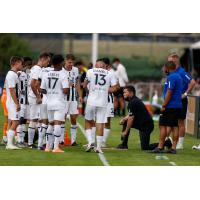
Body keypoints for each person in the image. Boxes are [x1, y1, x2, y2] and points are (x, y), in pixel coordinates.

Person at [83, 59, 118, 153]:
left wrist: (89, 92)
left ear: (96, 65)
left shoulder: (90, 71)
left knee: (88, 121)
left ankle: (90, 142)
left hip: (91, 101)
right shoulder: (110, 73)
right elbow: (115, 88)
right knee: (100, 123)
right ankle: (98, 147)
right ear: (104, 66)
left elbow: (84, 85)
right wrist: (106, 90)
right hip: (103, 101)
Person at [152, 61, 183, 154]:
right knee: (175, 126)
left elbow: (169, 92)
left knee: (162, 125)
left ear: (167, 68)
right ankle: (173, 148)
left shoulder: (171, 77)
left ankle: (160, 147)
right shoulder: (178, 76)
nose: (163, 69)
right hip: (177, 105)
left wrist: (164, 105)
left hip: (170, 105)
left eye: (164, 68)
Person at [40, 54, 69, 153]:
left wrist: (50, 93)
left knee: (51, 124)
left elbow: (42, 89)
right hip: (59, 102)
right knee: (57, 124)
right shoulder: (63, 75)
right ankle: (56, 147)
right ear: (60, 63)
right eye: (63, 61)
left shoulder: (46, 74)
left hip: (49, 102)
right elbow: (65, 90)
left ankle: (48, 147)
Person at [168, 53, 196, 149]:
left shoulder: (181, 72)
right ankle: (171, 140)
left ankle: (180, 143)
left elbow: (192, 82)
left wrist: (185, 94)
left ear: (175, 61)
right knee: (172, 121)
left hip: (181, 101)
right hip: (173, 100)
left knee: (180, 122)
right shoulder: (172, 72)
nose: (168, 63)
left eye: (170, 61)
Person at [117, 85, 157, 150]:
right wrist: (124, 119)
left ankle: (166, 142)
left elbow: (131, 118)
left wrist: (125, 132)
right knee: (125, 121)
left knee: (145, 147)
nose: (123, 94)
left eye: (125, 92)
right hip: (141, 124)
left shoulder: (133, 102)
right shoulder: (133, 100)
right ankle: (124, 144)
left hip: (146, 126)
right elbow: (131, 114)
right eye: (123, 92)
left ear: (131, 92)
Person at [28, 52, 50, 148]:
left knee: (38, 119)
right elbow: (33, 84)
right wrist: (38, 96)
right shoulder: (37, 69)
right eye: (47, 61)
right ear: (42, 59)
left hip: (33, 96)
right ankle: (30, 143)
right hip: (34, 97)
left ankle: (34, 142)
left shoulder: (36, 68)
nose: (48, 64)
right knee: (34, 119)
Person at [63, 54, 83, 146]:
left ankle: (73, 141)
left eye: (72, 62)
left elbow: (77, 83)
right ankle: (60, 140)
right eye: (69, 62)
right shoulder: (61, 70)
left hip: (73, 98)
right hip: (63, 98)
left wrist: (80, 95)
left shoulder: (75, 70)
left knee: (74, 118)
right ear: (65, 61)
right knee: (62, 119)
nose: (71, 64)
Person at [5, 56, 23, 150]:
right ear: (16, 63)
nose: (22, 65)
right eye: (20, 63)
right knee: (15, 122)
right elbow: (12, 90)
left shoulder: (14, 74)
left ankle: (9, 142)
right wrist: (17, 103)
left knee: (13, 121)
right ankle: (9, 144)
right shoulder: (11, 75)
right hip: (12, 102)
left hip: (12, 102)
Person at [102, 57, 119, 147]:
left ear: (106, 65)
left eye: (101, 64)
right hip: (99, 99)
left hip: (108, 100)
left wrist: (109, 89)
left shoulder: (112, 73)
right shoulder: (99, 72)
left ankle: (103, 141)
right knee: (98, 119)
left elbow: (117, 86)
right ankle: (96, 140)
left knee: (107, 120)